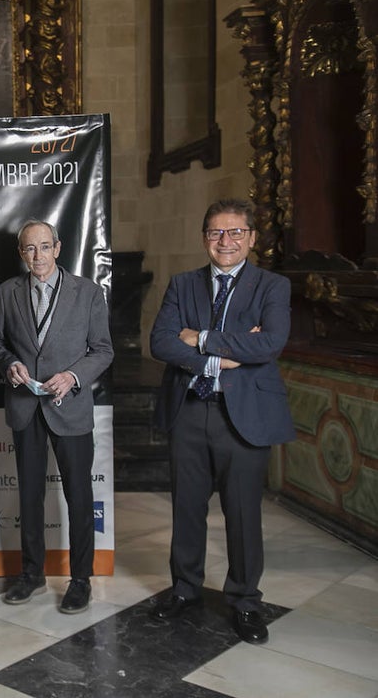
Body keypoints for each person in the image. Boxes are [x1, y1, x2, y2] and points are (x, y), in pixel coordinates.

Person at [148, 198, 294, 645]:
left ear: (252, 238)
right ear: (204, 238)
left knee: (243, 512)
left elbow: (269, 344)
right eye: (216, 232)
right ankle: (184, 588)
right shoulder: (183, 284)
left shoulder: (273, 286)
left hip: (244, 415)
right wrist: (219, 359)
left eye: (235, 232)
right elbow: (161, 342)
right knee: (187, 507)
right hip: (190, 409)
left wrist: (202, 338)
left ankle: (246, 601)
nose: (225, 241)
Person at [0, 219, 113, 615]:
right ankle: (31, 574)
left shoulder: (87, 292)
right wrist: (9, 364)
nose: (38, 255)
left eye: (44, 247)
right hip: (26, 407)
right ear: (21, 253)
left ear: (57, 249)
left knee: (79, 496)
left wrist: (73, 377)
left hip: (69, 408)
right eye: (30, 248)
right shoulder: (7, 291)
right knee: (29, 496)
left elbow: (103, 350)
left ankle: (81, 579)